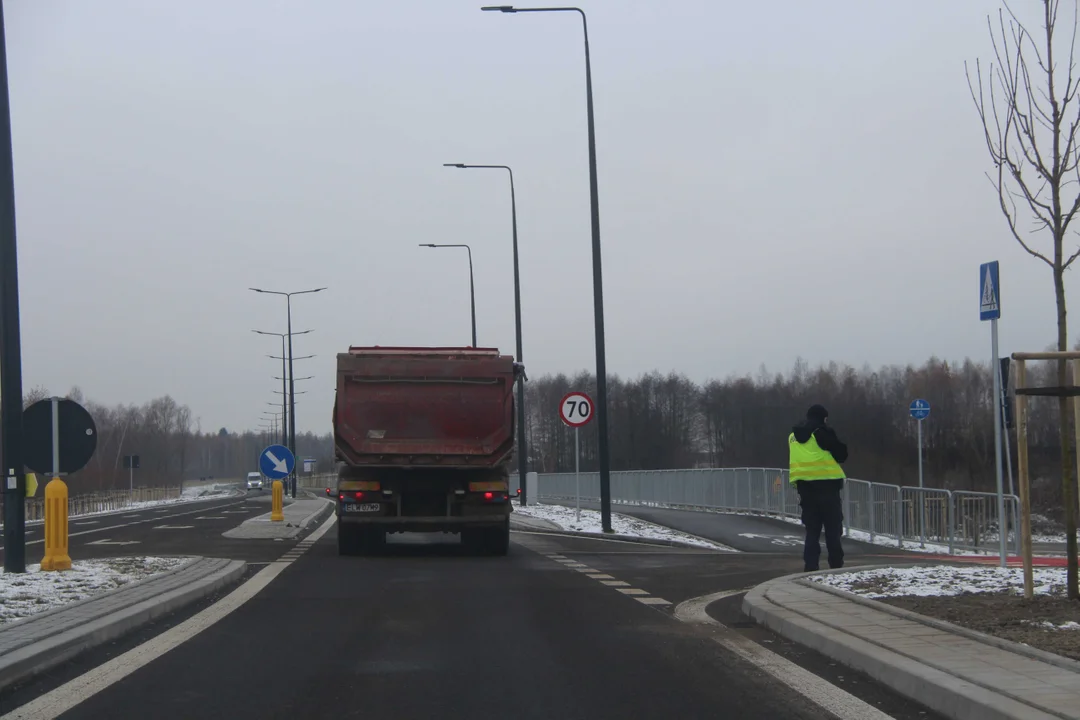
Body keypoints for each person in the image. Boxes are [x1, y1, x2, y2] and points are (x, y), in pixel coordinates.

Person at [789, 404, 848, 572]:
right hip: (827, 486)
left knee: (812, 530)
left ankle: (811, 565)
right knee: (832, 528)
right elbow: (842, 454)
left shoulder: (792, 436)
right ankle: (836, 565)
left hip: (805, 488)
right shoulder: (821, 433)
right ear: (823, 418)